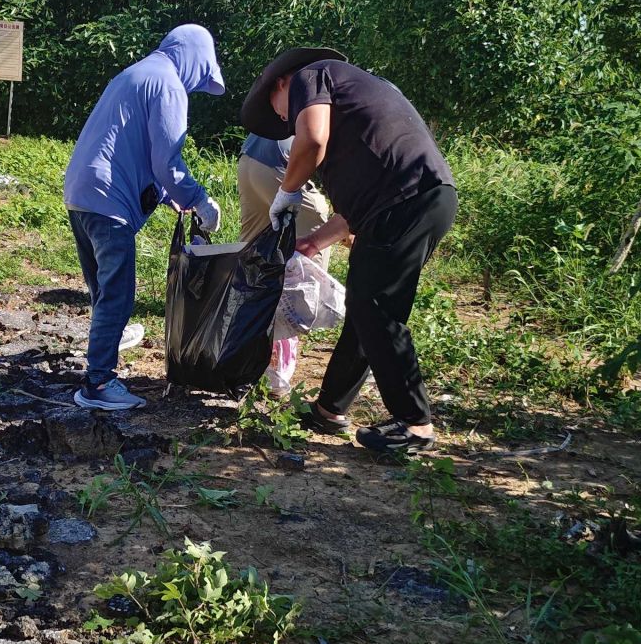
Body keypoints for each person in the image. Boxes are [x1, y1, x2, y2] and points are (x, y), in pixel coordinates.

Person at [240, 48, 457, 454]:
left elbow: (312, 139)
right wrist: (313, 242)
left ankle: (415, 424)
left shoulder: (311, 75)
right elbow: (356, 208)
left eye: (279, 111)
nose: (286, 122)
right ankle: (329, 409)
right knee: (363, 306)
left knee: (376, 307)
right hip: (416, 200)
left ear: (281, 83)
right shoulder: (350, 100)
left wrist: (288, 191)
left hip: (408, 199)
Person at [63, 23, 226, 411]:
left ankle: (105, 343)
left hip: (81, 193)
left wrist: (168, 197)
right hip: (109, 200)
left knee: (104, 290)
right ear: (194, 57)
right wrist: (199, 200)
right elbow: (166, 161)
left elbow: (133, 146)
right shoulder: (168, 84)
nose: (194, 87)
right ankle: (98, 383)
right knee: (118, 295)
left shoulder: (135, 74)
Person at [237, 130, 332, 393]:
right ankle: (277, 353)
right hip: (280, 166)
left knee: (253, 254)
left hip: (249, 159)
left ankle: (238, 349)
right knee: (311, 244)